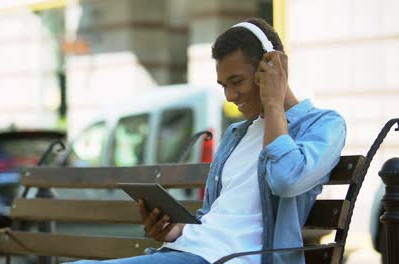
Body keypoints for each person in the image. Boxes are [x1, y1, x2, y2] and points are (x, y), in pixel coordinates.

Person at [66, 17, 346, 264]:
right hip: (191, 252)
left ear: (270, 68)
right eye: (224, 85)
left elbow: (286, 179)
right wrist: (175, 232)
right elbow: (214, 217)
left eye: (236, 81)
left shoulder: (323, 125)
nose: (230, 95)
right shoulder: (237, 135)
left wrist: (274, 102)